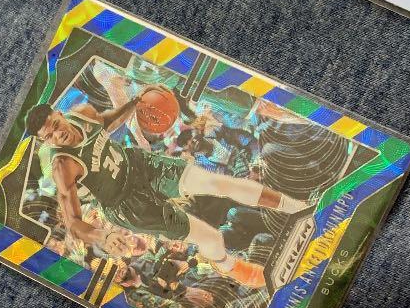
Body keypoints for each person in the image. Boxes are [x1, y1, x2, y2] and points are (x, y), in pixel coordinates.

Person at [26, 94, 309, 289]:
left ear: (59, 114)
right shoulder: (63, 165)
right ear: (45, 141)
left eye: (55, 126)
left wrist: (134, 103)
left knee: (218, 183)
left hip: (139, 165)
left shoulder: (82, 114)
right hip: (125, 204)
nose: (57, 135)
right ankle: (232, 268)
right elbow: (73, 223)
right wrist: (103, 236)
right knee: (209, 236)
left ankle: (295, 207)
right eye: (49, 137)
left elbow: (106, 121)